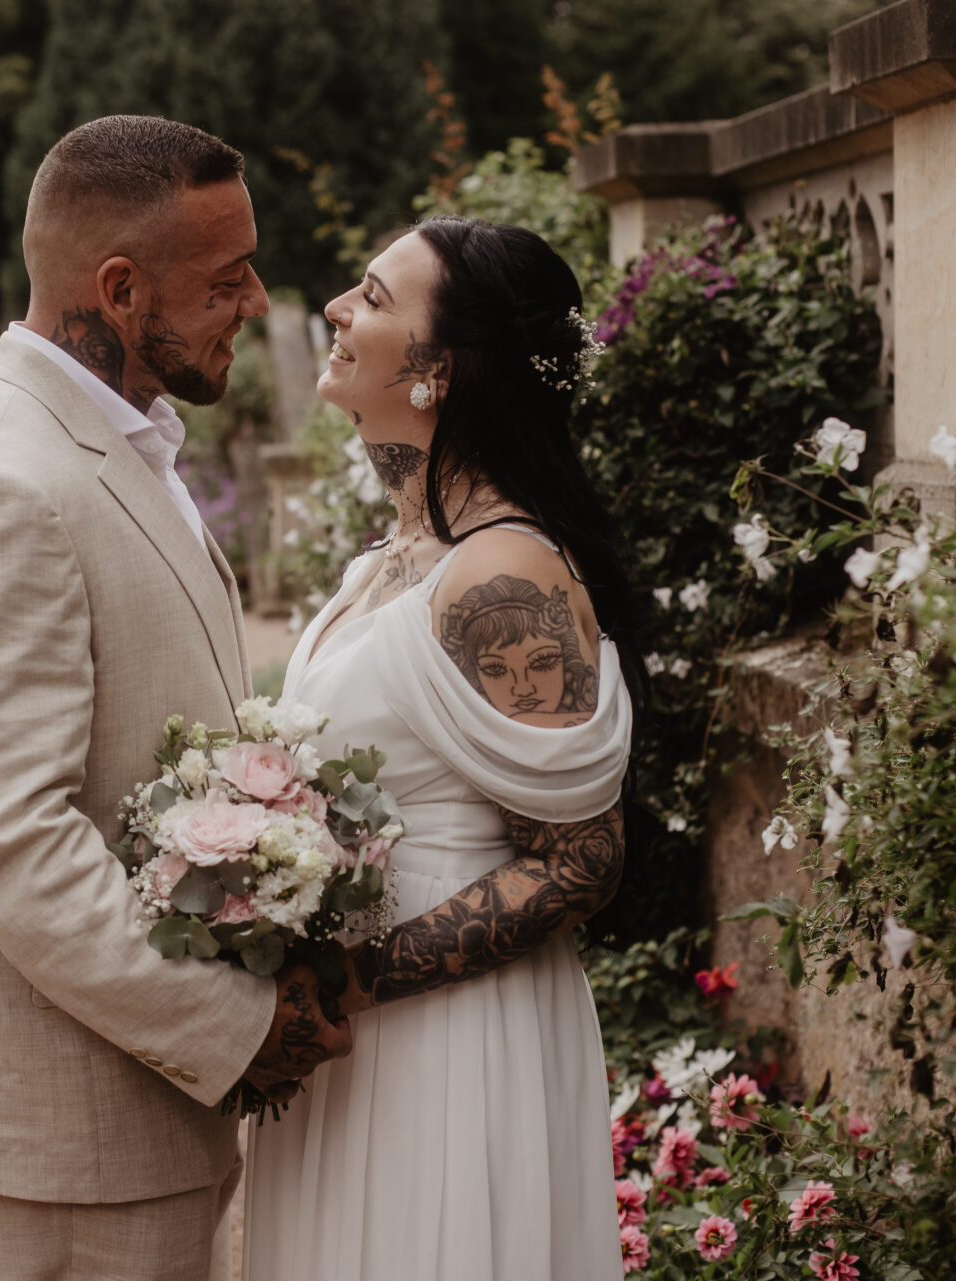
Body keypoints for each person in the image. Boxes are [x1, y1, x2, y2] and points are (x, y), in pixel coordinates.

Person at [0, 115, 352, 1281]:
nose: (255, 299)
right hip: (73, 1107)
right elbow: (9, 838)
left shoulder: (111, 440)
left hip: (119, 1089)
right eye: (225, 278)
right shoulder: (3, 482)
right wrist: (238, 1027)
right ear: (119, 288)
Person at [243, 215, 637, 1281]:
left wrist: (348, 976)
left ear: (439, 371)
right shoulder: (394, 557)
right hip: (357, 1048)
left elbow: (581, 859)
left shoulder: (505, 580)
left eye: (372, 297)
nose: (336, 308)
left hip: (452, 1047)